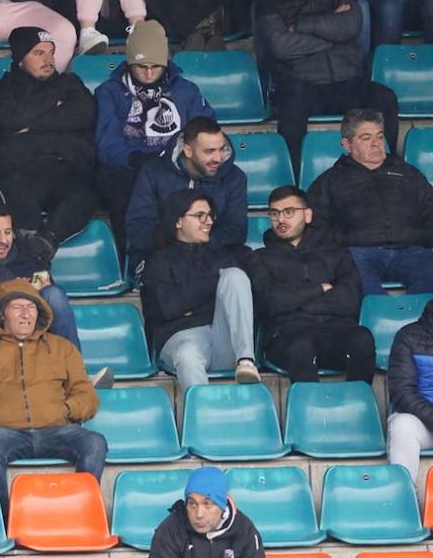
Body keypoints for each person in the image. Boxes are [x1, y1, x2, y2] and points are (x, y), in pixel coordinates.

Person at [0, 279, 105, 516]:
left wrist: (66, 410)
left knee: (95, 443)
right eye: (17, 307)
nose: (26, 314)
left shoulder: (62, 348)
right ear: (2, 314)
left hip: (57, 429)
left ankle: (80, 513)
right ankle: (4, 521)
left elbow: (86, 394)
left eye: (32, 307)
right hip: (5, 431)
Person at [254, 0, 398, 169]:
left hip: (347, 81)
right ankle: (296, 180)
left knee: (385, 97)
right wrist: (333, 33)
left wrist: (302, 26)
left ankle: (388, 168)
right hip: (302, 83)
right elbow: (280, 45)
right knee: (290, 109)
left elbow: (350, 26)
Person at [97, 23, 216, 249]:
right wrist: (134, 159)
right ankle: (136, 261)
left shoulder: (186, 91)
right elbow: (106, 142)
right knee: (126, 192)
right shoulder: (109, 91)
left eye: (156, 66)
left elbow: (205, 130)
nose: (149, 73)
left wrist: (185, 159)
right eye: (141, 66)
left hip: (177, 163)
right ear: (130, 63)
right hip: (130, 168)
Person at [0, 26, 99, 248]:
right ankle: (29, 244)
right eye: (38, 53)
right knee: (16, 194)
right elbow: (10, 121)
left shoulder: (70, 83)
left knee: (89, 191)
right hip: (21, 171)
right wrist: (55, 105)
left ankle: (46, 241)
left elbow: (85, 114)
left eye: (51, 52)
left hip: (66, 168)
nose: (48, 59)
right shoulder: (1, 90)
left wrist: (31, 126)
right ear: (20, 59)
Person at [247, 186, 374, 382]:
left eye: (288, 212)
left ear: (308, 215)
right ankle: (307, 410)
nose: (281, 219)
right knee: (301, 345)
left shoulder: (335, 252)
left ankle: (356, 408)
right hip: (286, 335)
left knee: (362, 339)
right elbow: (270, 302)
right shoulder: (260, 258)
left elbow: (349, 299)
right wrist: (318, 288)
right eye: (274, 214)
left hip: (334, 330)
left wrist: (296, 301)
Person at [140, 191, 259, 390]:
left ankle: (246, 361)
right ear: (178, 221)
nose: (208, 221)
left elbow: (243, 298)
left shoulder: (222, 256)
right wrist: (214, 284)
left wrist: (189, 302)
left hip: (224, 339)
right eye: (199, 216)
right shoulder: (158, 261)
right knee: (188, 356)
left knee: (234, 276)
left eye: (210, 215)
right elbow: (167, 308)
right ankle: (205, 417)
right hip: (181, 338)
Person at [0, 199, 93, 355]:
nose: (3, 240)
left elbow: (47, 315)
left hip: (31, 347)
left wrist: (35, 295)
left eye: (7, 232)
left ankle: (76, 374)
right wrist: (7, 298)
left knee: (53, 294)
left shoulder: (29, 258)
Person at [307, 109, 433, 296]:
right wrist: (342, 243)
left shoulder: (407, 173)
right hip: (358, 253)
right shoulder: (331, 180)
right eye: (366, 138)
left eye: (380, 137)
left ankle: (416, 325)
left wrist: (423, 238)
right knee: (360, 289)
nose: (376, 144)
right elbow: (315, 223)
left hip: (411, 250)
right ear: (347, 145)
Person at [126, 117, 248, 273]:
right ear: (188, 151)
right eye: (209, 151)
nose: (218, 158)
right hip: (161, 256)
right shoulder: (153, 172)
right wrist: (179, 241)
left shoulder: (235, 178)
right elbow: (138, 225)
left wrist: (201, 241)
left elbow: (236, 229)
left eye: (221, 149)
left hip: (212, 256)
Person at [147, 466, 265, 558]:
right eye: (192, 504)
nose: (198, 514)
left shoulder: (244, 530)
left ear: (222, 506)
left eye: (207, 504)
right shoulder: (170, 530)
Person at [387, 298, 433, 481]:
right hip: (424, 422)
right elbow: (402, 392)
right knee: (402, 426)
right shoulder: (409, 336)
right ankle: (404, 500)